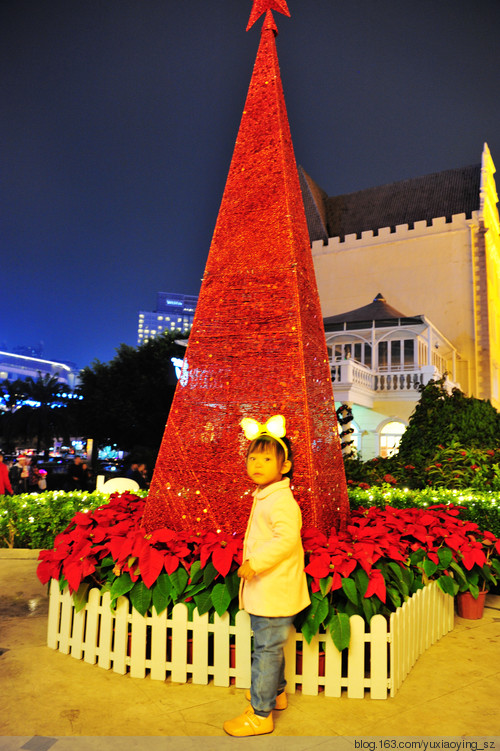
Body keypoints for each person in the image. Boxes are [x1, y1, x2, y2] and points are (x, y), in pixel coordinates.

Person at [223, 416, 310, 737]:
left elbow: (286, 540)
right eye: (252, 457)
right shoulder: (267, 495)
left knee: (266, 651)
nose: (257, 463)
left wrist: (256, 562)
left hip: (275, 590)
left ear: (284, 466)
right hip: (269, 590)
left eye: (266, 458)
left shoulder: (281, 501)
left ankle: (261, 713)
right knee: (270, 647)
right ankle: (277, 693)